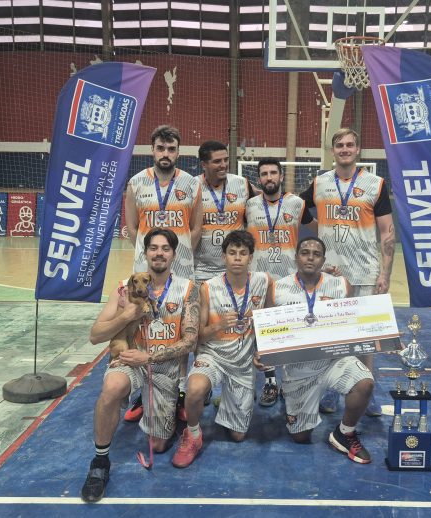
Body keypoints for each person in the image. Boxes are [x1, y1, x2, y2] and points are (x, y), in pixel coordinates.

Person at [80, 228, 200, 503]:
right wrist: (127, 315)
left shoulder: (189, 289)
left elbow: (191, 342)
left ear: (173, 254)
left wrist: (150, 358)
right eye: (153, 248)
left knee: (158, 445)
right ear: (145, 253)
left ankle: (161, 403)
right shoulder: (123, 288)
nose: (159, 253)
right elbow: (95, 336)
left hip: (164, 366)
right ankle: (100, 461)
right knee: (112, 387)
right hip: (130, 361)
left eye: (165, 248)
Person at [298, 128, 394, 417]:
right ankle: (333, 387)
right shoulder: (320, 183)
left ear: (358, 149)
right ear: (333, 151)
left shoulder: (375, 184)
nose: (345, 149)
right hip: (330, 274)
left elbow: (387, 232)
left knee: (366, 338)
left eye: (350, 144)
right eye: (339, 145)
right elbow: (298, 209)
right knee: (332, 336)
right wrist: (319, 230)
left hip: (365, 271)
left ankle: (367, 389)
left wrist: (385, 273)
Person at [255, 236, 374, 464]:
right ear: (296, 257)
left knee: (365, 383)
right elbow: (266, 331)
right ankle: (292, 401)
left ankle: (345, 432)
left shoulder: (341, 285)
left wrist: (382, 337)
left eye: (316, 254)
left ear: (323, 260)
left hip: (333, 361)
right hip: (298, 370)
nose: (310, 257)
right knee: (300, 437)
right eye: (305, 253)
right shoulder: (278, 288)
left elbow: (353, 324)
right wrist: (262, 355)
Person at [172, 230, 272, 468]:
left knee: (238, 436)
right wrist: (218, 326)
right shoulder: (207, 287)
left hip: (242, 362)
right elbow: (197, 337)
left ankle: (229, 402)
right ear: (223, 256)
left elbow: (269, 323)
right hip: (213, 355)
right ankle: (193, 434)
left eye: (243, 253)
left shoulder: (264, 282)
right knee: (195, 389)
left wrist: (263, 352)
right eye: (232, 252)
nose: (237, 258)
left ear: (250, 258)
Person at [123, 125, 202, 422]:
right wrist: (149, 256)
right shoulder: (136, 182)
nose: (165, 153)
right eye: (160, 148)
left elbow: (196, 228)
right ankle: (143, 390)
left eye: (171, 149)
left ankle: (179, 390)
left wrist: (180, 253)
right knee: (143, 326)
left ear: (178, 152)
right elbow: (132, 228)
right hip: (146, 269)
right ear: (152, 150)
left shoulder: (191, 183)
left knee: (178, 329)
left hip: (180, 266)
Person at [245, 158, 306, 407]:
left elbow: (318, 228)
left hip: (289, 279)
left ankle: (290, 382)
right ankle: (270, 381)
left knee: (290, 332)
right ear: (259, 179)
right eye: (264, 174)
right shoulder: (249, 205)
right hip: (259, 279)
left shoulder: (297, 203)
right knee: (263, 333)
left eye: (273, 173)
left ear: (281, 176)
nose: (269, 177)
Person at [193, 140, 258, 283]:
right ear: (204, 164)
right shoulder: (192, 186)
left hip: (236, 269)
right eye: (217, 161)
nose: (223, 165)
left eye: (226, 160)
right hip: (202, 270)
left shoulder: (242, 184)